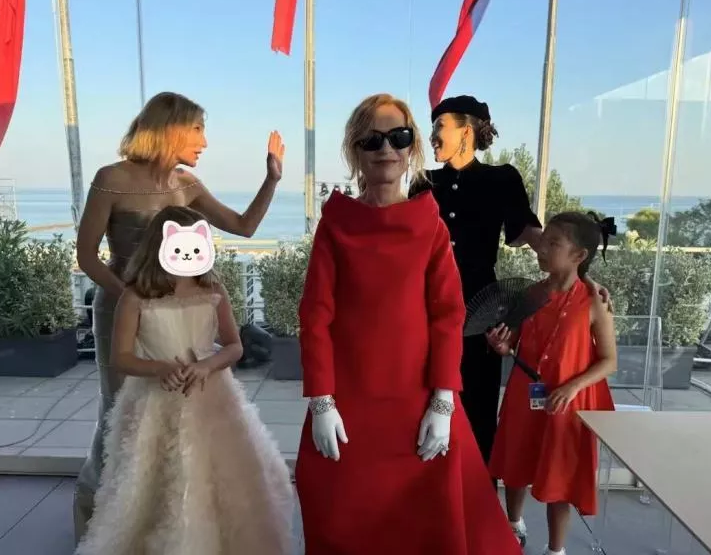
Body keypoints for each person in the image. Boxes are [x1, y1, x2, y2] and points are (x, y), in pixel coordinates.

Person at [294, 93, 522, 555]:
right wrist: (321, 401)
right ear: (355, 149)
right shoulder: (336, 223)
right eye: (371, 139)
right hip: (348, 404)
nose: (386, 148)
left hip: (419, 404)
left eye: (398, 137)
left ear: (412, 145)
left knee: (427, 523)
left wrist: (443, 401)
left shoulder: (429, 223)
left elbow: (447, 315)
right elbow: (315, 315)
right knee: (341, 516)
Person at [73, 91, 285, 540]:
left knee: (173, 420)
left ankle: (165, 525)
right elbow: (87, 256)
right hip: (121, 308)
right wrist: (136, 300)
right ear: (169, 128)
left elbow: (244, 226)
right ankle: (104, 523)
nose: (204, 142)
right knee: (120, 416)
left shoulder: (187, 183)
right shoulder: (110, 178)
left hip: (175, 314)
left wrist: (272, 179)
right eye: (197, 129)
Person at [74, 206, 294, 555]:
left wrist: (208, 365)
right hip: (153, 405)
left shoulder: (213, 289)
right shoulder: (135, 297)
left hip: (212, 399)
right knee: (155, 486)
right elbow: (121, 358)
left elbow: (234, 346)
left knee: (218, 479)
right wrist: (160, 368)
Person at [409, 94, 611, 467]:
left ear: (466, 131)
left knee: (477, 404)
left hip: (482, 310)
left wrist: (584, 280)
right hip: (426, 310)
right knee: (423, 401)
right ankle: (428, 489)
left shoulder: (501, 179)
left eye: (440, 126)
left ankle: (477, 491)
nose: (432, 135)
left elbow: (535, 237)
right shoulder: (423, 183)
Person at [486, 211, 618, 554]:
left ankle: (556, 549)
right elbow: (511, 342)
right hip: (524, 395)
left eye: (553, 244)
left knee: (560, 476)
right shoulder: (530, 294)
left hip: (565, 402)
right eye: (542, 241)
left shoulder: (594, 302)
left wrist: (573, 386)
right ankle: (513, 523)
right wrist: (501, 345)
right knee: (516, 465)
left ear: (579, 255)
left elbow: (609, 360)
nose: (541, 249)